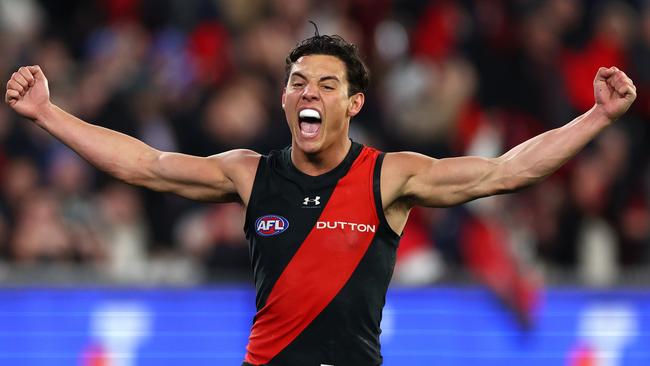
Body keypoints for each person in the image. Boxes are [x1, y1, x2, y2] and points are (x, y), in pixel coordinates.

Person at [5, 32, 636, 365]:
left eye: (326, 84)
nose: (309, 93)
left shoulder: (391, 176)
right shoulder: (249, 174)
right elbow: (146, 165)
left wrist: (596, 119)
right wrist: (48, 115)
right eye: (297, 82)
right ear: (284, 99)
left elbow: (505, 171)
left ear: (353, 104)